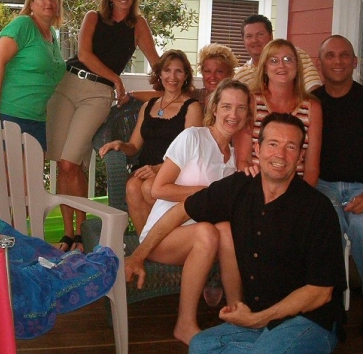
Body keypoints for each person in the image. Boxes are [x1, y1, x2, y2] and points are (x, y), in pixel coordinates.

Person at [126, 112, 347, 352]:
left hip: (309, 320)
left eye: (290, 147)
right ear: (258, 149)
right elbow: (182, 211)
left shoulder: (317, 209)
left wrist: (258, 319)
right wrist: (139, 255)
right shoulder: (239, 188)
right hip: (258, 320)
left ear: (300, 156)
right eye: (273, 144)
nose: (280, 155)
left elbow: (321, 292)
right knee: (201, 345)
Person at [124, 78, 251, 345]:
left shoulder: (232, 162)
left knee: (226, 230)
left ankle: (237, 310)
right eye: (227, 106)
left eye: (241, 108)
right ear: (214, 108)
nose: (233, 114)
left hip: (205, 239)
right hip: (164, 235)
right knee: (206, 232)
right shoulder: (193, 137)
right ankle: (185, 324)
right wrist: (206, 193)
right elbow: (159, 189)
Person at [46, 0, 159, 252]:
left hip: (97, 93)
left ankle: (82, 232)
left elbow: (156, 62)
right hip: (67, 84)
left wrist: (174, 82)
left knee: (72, 162)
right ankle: (69, 234)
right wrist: (117, 78)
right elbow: (83, 55)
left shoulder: (138, 25)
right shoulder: (92, 18)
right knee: (62, 163)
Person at [314, 35, 363, 337]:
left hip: (362, 186)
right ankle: (332, 305)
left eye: (344, 55)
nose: (337, 61)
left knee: (362, 227)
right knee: (329, 226)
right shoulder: (312, 101)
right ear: (320, 63)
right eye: (330, 56)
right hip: (323, 186)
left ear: (354, 62)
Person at [99, 49, 203, 236]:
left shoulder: (191, 107)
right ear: (160, 74)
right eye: (167, 70)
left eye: (179, 71)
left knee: (149, 188)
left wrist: (159, 169)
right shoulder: (149, 106)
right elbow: (134, 147)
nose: (172, 76)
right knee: (132, 186)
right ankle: (147, 243)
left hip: (174, 170)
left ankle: (163, 243)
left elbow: (191, 152)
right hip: (145, 168)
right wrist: (120, 144)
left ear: (186, 75)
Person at [0, 0, 66, 150]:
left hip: (34, 118)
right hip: (5, 113)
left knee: (29, 175)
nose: (49, 2)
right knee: (2, 175)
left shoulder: (51, 34)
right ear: (31, 4)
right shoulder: (23, 24)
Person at [233, 38, 322, 186]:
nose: (281, 65)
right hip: (256, 187)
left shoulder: (312, 107)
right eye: (273, 60)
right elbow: (243, 161)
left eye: (288, 59)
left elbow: (312, 169)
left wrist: (302, 199)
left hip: (296, 191)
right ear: (265, 68)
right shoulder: (251, 102)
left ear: (297, 66)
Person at [234, 14, 322, 93]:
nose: (254, 40)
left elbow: (314, 90)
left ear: (271, 36)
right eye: (249, 36)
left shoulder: (294, 55)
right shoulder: (241, 77)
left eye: (260, 34)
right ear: (243, 40)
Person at [190, 43, 239, 110]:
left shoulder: (237, 100)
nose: (212, 77)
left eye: (219, 71)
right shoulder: (192, 97)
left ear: (230, 74)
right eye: (207, 71)